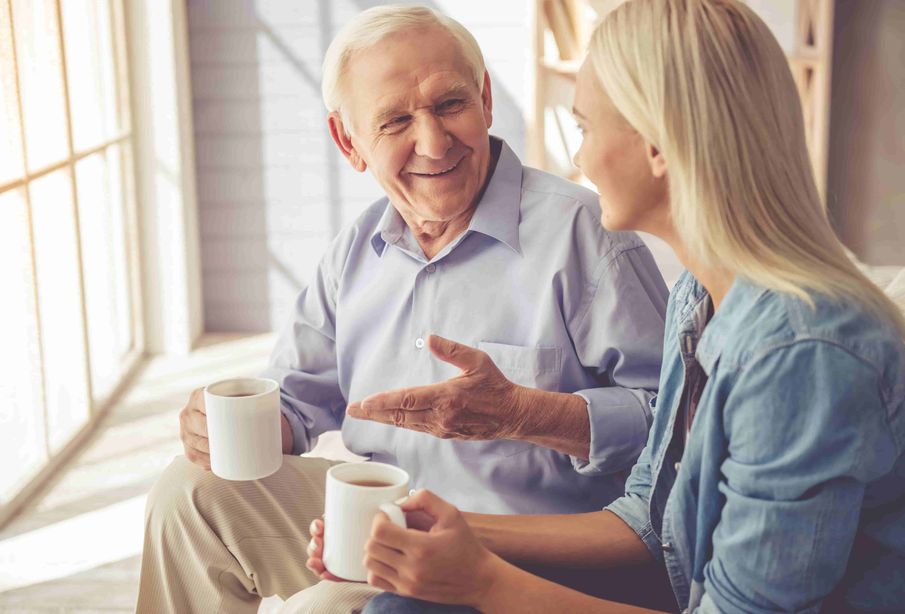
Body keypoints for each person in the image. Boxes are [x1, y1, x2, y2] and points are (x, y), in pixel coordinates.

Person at [303, 0, 905, 612]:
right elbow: (651, 520)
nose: (576, 160)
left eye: (585, 128)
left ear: (657, 146)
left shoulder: (799, 354)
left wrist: (484, 580)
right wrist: (438, 532)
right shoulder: (701, 299)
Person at [134, 5, 670, 613]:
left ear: (486, 99)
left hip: (522, 554)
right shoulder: (356, 250)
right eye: (394, 121)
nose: (434, 142)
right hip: (373, 522)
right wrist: (226, 426)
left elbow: (677, 429)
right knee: (192, 491)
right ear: (349, 141)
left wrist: (525, 414)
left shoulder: (589, 235)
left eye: (450, 105)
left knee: (319, 610)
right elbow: (294, 399)